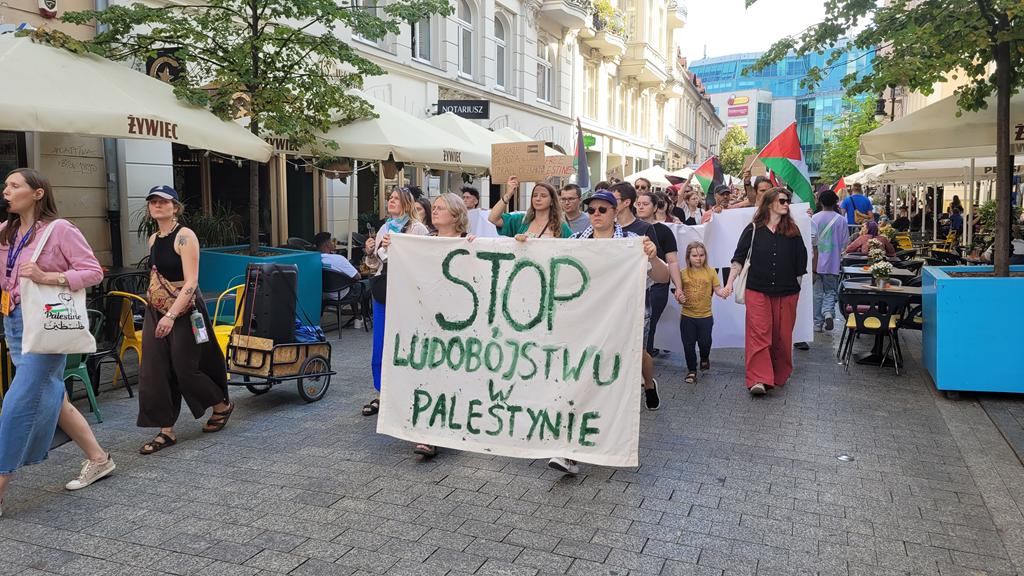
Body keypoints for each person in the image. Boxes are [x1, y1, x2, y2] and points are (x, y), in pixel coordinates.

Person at [0, 169, 113, 514]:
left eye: (14, 185)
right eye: (6, 185)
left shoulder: (58, 230)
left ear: (37, 193)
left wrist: (49, 276)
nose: (6, 190)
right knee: (52, 395)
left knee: (18, 402)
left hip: (47, 324)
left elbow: (93, 270)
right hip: (15, 323)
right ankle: (99, 458)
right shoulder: (6, 232)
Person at [555, 190, 669, 476]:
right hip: (586, 325)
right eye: (591, 209)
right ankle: (570, 451)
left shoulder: (632, 243)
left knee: (610, 384)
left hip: (624, 325)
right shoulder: (576, 242)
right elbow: (552, 263)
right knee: (579, 381)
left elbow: (663, 276)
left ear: (615, 211)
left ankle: (609, 434)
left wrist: (653, 258)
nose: (595, 214)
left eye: (602, 209)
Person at [137, 186, 232, 454]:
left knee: (186, 367)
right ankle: (165, 430)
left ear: (175, 207)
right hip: (157, 309)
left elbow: (191, 281)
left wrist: (171, 315)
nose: (157, 206)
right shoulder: (154, 239)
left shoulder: (185, 236)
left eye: (163, 202)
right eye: (153, 202)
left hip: (184, 310)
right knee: (154, 369)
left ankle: (221, 405)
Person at [724, 187, 808, 396]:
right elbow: (738, 259)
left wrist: (795, 287)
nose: (786, 204)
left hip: (787, 292)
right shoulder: (752, 229)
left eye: (788, 200)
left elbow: (801, 264)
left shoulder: (793, 232)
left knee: (781, 336)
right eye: (782, 200)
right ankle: (759, 379)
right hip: (757, 290)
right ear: (769, 203)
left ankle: (778, 374)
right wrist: (729, 283)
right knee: (759, 334)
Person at [413, 193, 476, 458]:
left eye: (441, 208)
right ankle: (430, 432)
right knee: (430, 373)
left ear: (455, 214)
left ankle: (455, 422)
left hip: (460, 321)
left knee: (454, 374)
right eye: (434, 207)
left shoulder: (469, 243)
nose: (434, 211)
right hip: (429, 320)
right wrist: (387, 246)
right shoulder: (422, 243)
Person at [362, 187, 431, 417]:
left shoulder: (417, 228)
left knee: (405, 339)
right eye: (389, 198)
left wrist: (399, 246)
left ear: (406, 203)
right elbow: (374, 266)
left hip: (406, 292)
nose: (390, 201)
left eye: (395, 198)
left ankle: (407, 390)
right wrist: (371, 252)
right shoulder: (384, 228)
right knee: (381, 341)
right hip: (384, 290)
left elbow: (422, 260)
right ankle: (382, 391)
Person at [609, 182, 662, 410]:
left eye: (612, 201)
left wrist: (651, 255)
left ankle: (648, 384)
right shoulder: (602, 230)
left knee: (638, 350)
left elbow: (658, 268)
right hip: (610, 303)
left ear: (625, 203)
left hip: (638, 299)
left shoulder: (643, 230)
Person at [635, 192, 682, 357]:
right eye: (638, 203)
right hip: (633, 284)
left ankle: (644, 363)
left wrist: (678, 287)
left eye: (645, 204)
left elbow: (672, 261)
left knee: (649, 323)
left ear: (655, 207)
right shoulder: (626, 228)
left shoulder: (664, 231)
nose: (640, 206)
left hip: (657, 285)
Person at [676, 242, 729, 384]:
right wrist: (679, 297)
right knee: (688, 345)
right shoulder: (682, 273)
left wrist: (723, 292)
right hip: (687, 316)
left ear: (705, 256)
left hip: (705, 316)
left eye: (701, 255)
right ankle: (691, 370)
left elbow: (717, 289)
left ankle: (705, 357)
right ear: (688, 257)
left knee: (705, 342)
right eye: (694, 255)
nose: (698, 258)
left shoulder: (711, 272)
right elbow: (679, 292)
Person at [810, 191, 849, 333]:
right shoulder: (841, 220)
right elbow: (845, 242)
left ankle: (817, 324)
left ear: (820, 202)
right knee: (831, 291)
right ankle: (827, 312)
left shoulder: (813, 218)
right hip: (833, 262)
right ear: (835, 202)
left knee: (817, 293)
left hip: (815, 262)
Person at [488, 178, 572, 239]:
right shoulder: (521, 220)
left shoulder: (561, 226)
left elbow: (574, 248)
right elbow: (493, 218)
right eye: (535, 195)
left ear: (552, 201)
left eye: (543, 196)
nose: (538, 199)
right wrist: (508, 194)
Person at [314, 231, 362, 303]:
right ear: (327, 244)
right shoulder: (338, 259)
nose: (333, 243)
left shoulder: (313, 260)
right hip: (341, 294)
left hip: (323, 294)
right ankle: (365, 313)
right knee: (366, 285)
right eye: (331, 241)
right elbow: (357, 276)